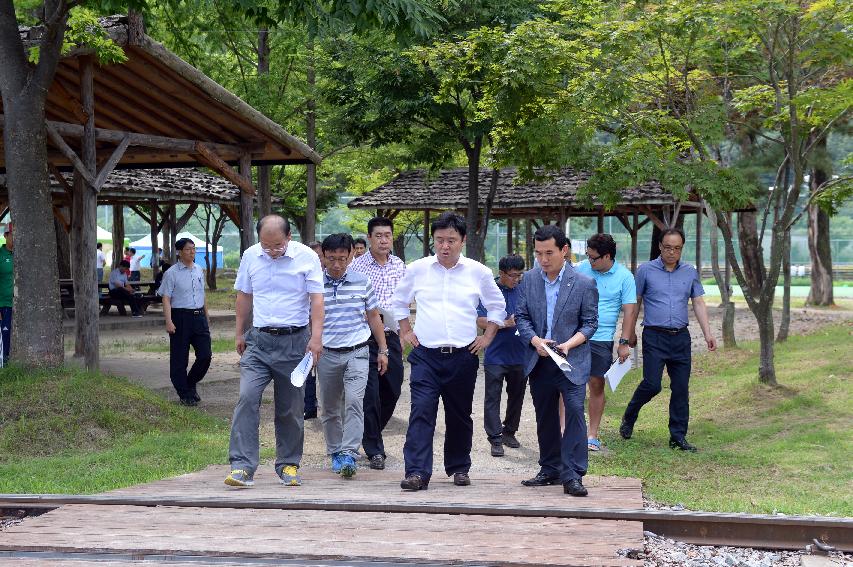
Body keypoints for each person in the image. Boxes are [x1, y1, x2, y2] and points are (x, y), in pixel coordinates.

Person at [392, 212, 506, 491]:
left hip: (463, 355)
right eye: (439, 240)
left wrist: (488, 336)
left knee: (459, 414)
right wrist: (406, 331)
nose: (445, 246)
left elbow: (497, 306)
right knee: (421, 411)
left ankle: (458, 467)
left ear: (463, 241)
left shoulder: (477, 272)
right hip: (425, 355)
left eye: (451, 240)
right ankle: (417, 472)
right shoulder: (418, 268)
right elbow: (398, 301)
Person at [225, 215, 324, 488]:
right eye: (266, 246)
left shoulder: (307, 258)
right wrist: (239, 332)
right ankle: (242, 467)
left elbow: (317, 301)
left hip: (294, 342)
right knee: (247, 399)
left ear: (289, 237)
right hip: (259, 340)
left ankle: (288, 464)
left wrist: (316, 339)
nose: (271, 252)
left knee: (291, 408)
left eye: (277, 246)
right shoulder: (250, 256)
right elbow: (244, 295)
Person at [515, 224, 598, 497]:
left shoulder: (584, 283)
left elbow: (590, 324)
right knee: (545, 414)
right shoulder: (529, 279)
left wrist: (568, 345)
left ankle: (573, 474)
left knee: (574, 411)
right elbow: (521, 317)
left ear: (564, 250)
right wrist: (535, 341)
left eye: (548, 253)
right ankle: (549, 468)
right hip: (539, 358)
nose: (543, 259)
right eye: (538, 253)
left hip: (571, 359)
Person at [620, 227, 716, 453]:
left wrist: (708, 333)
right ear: (660, 247)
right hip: (654, 336)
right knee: (652, 385)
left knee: (681, 388)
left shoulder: (689, 271)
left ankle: (677, 437)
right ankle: (630, 414)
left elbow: (699, 303)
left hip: (681, 337)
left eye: (677, 248)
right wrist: (629, 334)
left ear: (682, 248)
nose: (672, 252)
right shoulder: (645, 271)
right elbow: (635, 303)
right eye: (668, 247)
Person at [317, 233, 389, 479]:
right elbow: (308, 319)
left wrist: (382, 349)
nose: (337, 265)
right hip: (326, 353)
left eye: (342, 258)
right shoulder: (314, 284)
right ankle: (335, 452)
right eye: (331, 259)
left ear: (350, 256)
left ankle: (348, 453)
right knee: (328, 408)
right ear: (323, 257)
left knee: (355, 403)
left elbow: (373, 317)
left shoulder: (362, 281)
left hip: (357, 351)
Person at [349, 216, 407, 470]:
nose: (384, 240)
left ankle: (369, 433)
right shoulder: (357, 267)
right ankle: (375, 449)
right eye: (379, 236)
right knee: (370, 393)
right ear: (369, 238)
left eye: (388, 235)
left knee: (392, 389)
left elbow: (404, 301)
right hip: (365, 337)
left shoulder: (399, 265)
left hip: (392, 335)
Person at [575, 234, 638, 452]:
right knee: (570, 384)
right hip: (575, 336)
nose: (590, 262)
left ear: (607, 256)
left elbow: (630, 311)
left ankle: (592, 434)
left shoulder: (625, 277)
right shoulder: (580, 268)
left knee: (596, 384)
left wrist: (624, 342)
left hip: (601, 339)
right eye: (588, 257)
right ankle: (567, 430)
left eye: (594, 258)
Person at [476, 254, 528, 457]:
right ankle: (495, 438)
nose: (516, 280)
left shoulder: (523, 290)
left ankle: (509, 432)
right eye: (513, 276)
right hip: (495, 355)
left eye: (519, 275)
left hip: (520, 354)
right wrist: (505, 323)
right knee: (492, 397)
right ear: (501, 274)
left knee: (517, 396)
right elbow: (480, 320)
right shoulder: (489, 290)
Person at [159, 238, 212, 407]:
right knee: (179, 359)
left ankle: (190, 383)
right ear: (179, 252)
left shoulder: (198, 270)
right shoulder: (171, 273)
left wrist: (206, 315)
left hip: (199, 317)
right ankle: (184, 393)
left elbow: (202, 294)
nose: (192, 252)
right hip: (180, 317)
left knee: (205, 355)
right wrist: (169, 321)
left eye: (194, 249)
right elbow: (166, 298)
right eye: (188, 249)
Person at [303, 240, 323, 420]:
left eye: (318, 256)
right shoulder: (301, 276)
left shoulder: (327, 278)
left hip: (326, 332)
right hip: (306, 331)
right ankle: (309, 406)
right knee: (308, 370)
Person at [0, 225, 13, 364]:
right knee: (5, 334)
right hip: (3, 303)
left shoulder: (19, 254)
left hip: (18, 303)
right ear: (6, 235)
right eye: (12, 234)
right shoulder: (0, 254)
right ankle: (4, 363)